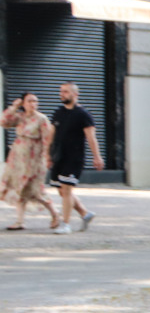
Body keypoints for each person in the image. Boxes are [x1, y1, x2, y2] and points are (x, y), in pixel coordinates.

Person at [1, 93, 61, 231]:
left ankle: (55, 213)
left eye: (35, 101)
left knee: (35, 190)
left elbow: (47, 139)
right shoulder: (20, 117)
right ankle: (20, 221)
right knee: (19, 188)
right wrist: (13, 107)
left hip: (33, 160)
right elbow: (4, 122)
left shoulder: (41, 119)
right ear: (24, 103)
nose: (33, 104)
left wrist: (47, 157)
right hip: (17, 159)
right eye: (29, 101)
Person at [49, 82, 103, 234]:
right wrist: (47, 154)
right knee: (62, 190)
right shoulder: (58, 112)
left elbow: (91, 138)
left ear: (75, 94)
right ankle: (85, 214)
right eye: (61, 91)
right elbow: (51, 135)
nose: (62, 94)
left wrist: (97, 157)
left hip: (74, 158)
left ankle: (65, 224)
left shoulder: (83, 114)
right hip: (59, 156)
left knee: (66, 190)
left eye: (66, 92)